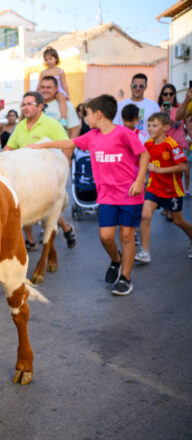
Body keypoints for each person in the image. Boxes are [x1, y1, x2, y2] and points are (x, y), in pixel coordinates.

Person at [30, 94, 149, 296]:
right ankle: (116, 260)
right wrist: (40, 146)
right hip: (107, 196)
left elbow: (144, 154)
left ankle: (125, 279)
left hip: (129, 193)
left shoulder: (124, 134)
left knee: (127, 236)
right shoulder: (92, 136)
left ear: (98, 114)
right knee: (105, 236)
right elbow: (69, 143)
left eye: (87, 114)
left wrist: (139, 181)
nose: (85, 118)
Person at [4, 91, 77, 249]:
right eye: (23, 104)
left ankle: (67, 228)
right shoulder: (20, 126)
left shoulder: (51, 124)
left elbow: (66, 145)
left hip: (46, 175)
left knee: (50, 209)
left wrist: (63, 168)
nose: (25, 107)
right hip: (24, 174)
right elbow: (8, 148)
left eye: (29, 104)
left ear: (40, 107)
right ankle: (30, 241)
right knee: (22, 206)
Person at [135, 112, 192, 263]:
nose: (150, 128)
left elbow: (182, 167)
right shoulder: (147, 144)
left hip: (171, 190)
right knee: (145, 215)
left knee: (178, 221)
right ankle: (145, 252)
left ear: (165, 127)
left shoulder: (171, 144)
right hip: (153, 187)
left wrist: (159, 170)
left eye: (155, 125)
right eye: (149, 125)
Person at [158, 83, 190, 195]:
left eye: (171, 94)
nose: (168, 96)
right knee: (167, 173)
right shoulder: (158, 110)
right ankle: (169, 202)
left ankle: (174, 198)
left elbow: (189, 126)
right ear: (161, 96)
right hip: (165, 146)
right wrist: (162, 114)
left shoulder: (181, 107)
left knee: (179, 172)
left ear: (174, 95)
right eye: (165, 94)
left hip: (180, 145)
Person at [36, 47, 70, 124]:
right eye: (46, 59)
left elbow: (64, 84)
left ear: (56, 59)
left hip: (58, 90)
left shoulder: (60, 71)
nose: (48, 61)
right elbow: (39, 84)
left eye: (50, 59)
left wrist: (67, 94)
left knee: (61, 98)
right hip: (46, 91)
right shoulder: (43, 72)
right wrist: (36, 93)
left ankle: (63, 118)